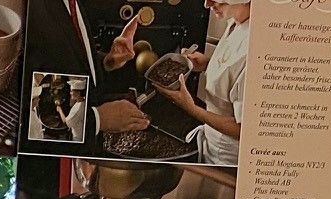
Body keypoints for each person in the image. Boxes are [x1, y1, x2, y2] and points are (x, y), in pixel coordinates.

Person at [19, 5, 152, 152]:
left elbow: (64, 62)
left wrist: (108, 62)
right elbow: (24, 114)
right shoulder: (29, 11)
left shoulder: (73, 4)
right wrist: (99, 118)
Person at [153, 0, 247, 165]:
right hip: (212, 144)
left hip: (227, 159)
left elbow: (244, 129)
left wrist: (191, 108)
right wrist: (206, 64)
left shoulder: (255, 48)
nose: (206, 4)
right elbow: (233, 76)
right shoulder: (236, 21)